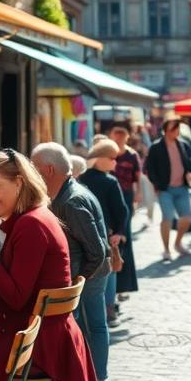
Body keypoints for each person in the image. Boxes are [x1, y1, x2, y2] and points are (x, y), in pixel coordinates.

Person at [0, 149, 96, 381]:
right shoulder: (30, 218)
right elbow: (5, 289)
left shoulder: (30, 225)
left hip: (30, 347)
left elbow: (14, 298)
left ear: (19, 183)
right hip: (28, 335)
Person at [31, 142, 111, 381]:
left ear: (49, 169)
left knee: (91, 329)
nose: (30, 173)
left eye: (34, 167)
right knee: (91, 328)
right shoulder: (68, 194)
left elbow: (96, 251)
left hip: (88, 276)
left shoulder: (72, 200)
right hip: (90, 274)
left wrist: (79, 281)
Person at [79, 138, 129, 328]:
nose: (115, 162)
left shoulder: (81, 179)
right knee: (109, 274)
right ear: (100, 159)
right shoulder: (110, 181)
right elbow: (121, 210)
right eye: (112, 158)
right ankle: (109, 311)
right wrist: (119, 232)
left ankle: (96, 313)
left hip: (87, 234)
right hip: (107, 235)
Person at [145, 113, 191, 260]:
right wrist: (157, 184)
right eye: (175, 128)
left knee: (187, 218)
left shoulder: (183, 145)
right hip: (165, 189)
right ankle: (166, 249)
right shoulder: (156, 148)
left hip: (182, 187)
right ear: (166, 130)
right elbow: (149, 168)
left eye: (178, 128)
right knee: (167, 218)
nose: (177, 131)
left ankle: (178, 243)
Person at [108, 126, 140, 295]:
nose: (119, 138)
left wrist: (137, 196)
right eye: (116, 135)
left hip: (125, 197)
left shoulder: (132, 155)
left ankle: (124, 285)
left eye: (122, 136)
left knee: (124, 238)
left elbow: (137, 178)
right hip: (109, 196)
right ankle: (114, 286)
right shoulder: (108, 153)